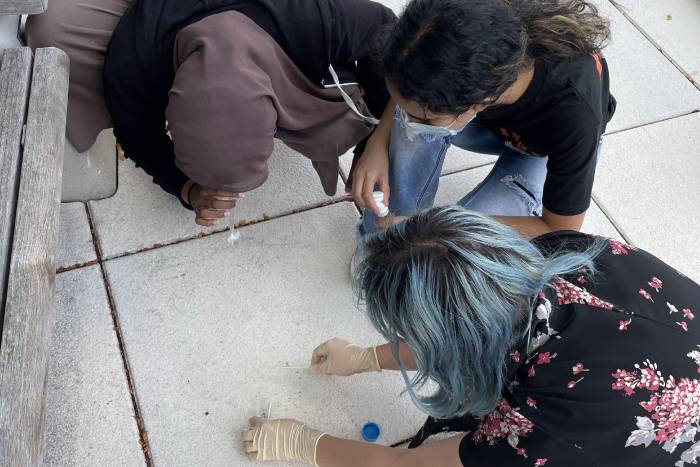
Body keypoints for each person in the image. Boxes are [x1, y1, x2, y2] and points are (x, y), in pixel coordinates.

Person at [243, 206, 700, 466]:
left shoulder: (550, 417)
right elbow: (470, 328)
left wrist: (306, 443)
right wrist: (368, 358)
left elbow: (405, 466)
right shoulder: (561, 250)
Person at [26, 0, 395, 226]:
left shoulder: (312, 18)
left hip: (281, 24)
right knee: (54, 28)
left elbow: (390, 31)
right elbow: (137, 136)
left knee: (370, 94)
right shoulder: (131, 63)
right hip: (155, 27)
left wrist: (375, 144)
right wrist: (187, 188)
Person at [350, 0, 616, 239]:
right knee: (416, 128)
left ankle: (409, 235)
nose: (404, 121)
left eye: (424, 117)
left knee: (455, 242)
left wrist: (434, 226)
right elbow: (408, 82)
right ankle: (383, 240)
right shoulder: (464, 17)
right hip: (486, 122)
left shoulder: (575, 113)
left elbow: (559, 228)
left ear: (481, 101)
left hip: (544, 150)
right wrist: (376, 143)